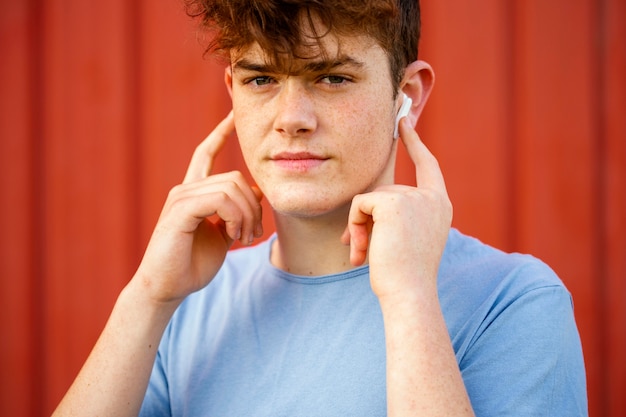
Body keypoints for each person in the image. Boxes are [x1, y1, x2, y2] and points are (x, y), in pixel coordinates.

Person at [53, 0, 587, 416]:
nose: (291, 118)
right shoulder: (185, 305)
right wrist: (147, 296)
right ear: (232, 91)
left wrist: (410, 299)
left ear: (408, 95)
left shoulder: (514, 301)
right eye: (261, 79)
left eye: (332, 77)